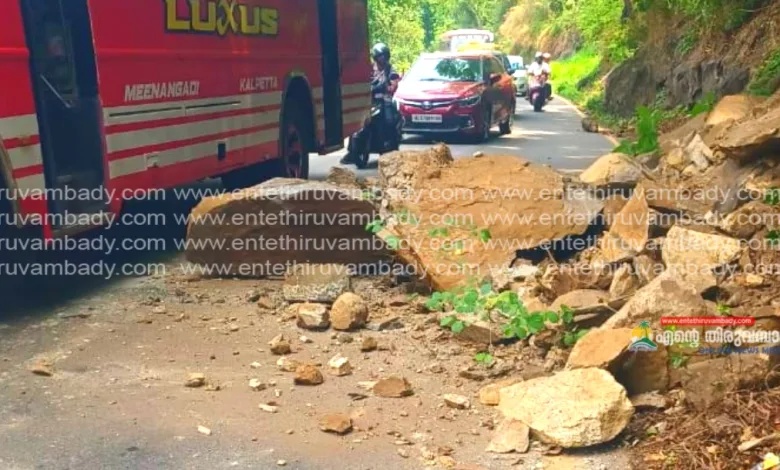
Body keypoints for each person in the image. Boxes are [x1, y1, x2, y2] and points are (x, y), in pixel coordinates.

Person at [340, 43, 400, 165]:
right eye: (380, 56)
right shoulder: (369, 69)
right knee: (358, 123)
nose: (382, 59)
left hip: (384, 100)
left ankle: (391, 143)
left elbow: (394, 84)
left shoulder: (390, 70)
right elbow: (360, 80)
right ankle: (352, 151)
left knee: (389, 119)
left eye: (384, 56)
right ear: (375, 57)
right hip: (369, 101)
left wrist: (387, 87)